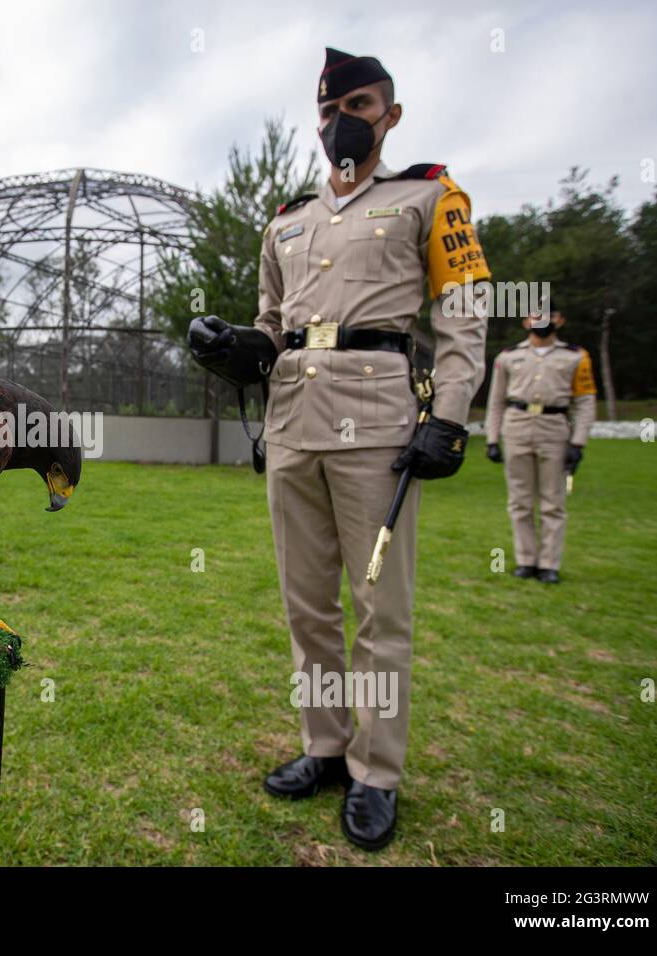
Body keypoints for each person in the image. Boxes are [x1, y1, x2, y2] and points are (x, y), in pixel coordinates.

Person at [190, 47, 490, 850]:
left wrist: (450, 415)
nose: (340, 122)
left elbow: (462, 316)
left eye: (358, 106)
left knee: (379, 611)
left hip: (380, 423)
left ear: (390, 116)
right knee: (307, 607)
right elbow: (272, 324)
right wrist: (234, 348)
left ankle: (376, 772)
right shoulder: (286, 219)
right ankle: (324, 747)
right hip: (292, 424)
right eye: (328, 111)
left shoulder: (432, 194)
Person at [484, 300, 596, 584]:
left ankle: (549, 564)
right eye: (535, 315)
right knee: (519, 501)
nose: (541, 320)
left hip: (554, 430)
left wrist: (578, 443)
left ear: (559, 320)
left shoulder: (576, 356)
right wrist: (492, 439)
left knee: (552, 502)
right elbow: (496, 401)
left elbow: (584, 402)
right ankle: (526, 560)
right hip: (517, 428)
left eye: (549, 315)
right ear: (525, 321)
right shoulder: (508, 357)